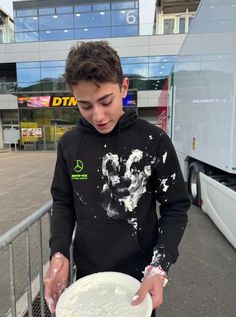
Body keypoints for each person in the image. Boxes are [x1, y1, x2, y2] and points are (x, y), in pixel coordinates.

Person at [44, 41, 190, 316]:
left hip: (140, 279)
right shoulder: (69, 144)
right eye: (85, 105)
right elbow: (63, 202)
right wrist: (59, 253)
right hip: (87, 279)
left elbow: (176, 207)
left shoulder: (153, 140)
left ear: (123, 88)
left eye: (106, 101)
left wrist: (160, 265)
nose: (97, 115)